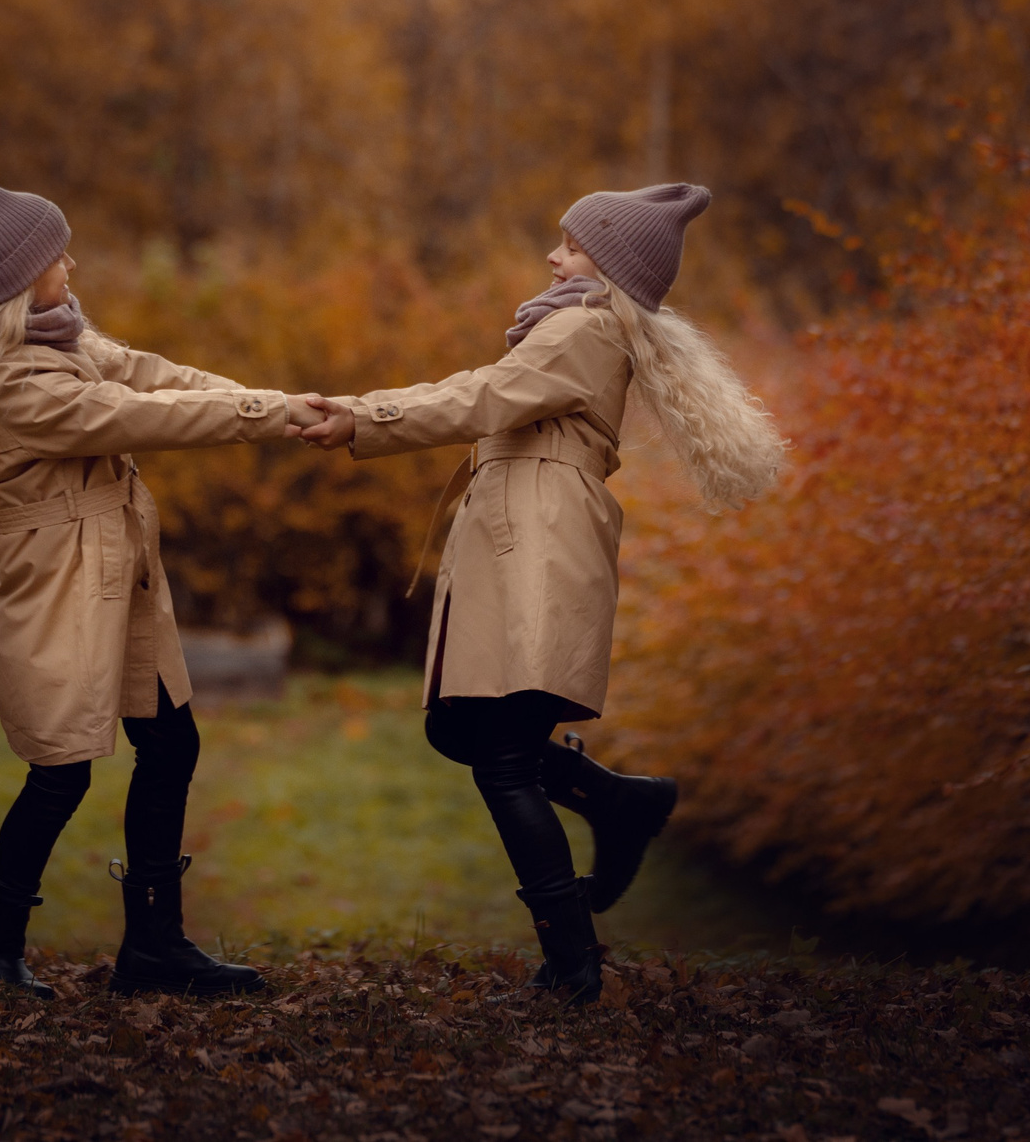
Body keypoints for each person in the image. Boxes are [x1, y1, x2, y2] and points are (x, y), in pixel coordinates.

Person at [0, 172, 324, 998]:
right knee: (61, 771)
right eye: (54, 253)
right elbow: (143, 416)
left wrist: (271, 400)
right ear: (18, 277)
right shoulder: (19, 383)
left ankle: (154, 946)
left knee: (171, 742)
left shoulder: (60, 338)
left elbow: (149, 373)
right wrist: (275, 415)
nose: (70, 261)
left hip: (117, 575)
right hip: (59, 590)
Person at [291, 183, 785, 1005]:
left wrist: (360, 418)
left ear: (610, 263)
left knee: (502, 756)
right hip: (527, 533)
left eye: (571, 245)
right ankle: (620, 804)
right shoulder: (575, 325)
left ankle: (572, 962)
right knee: (462, 731)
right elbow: (486, 386)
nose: (554, 257)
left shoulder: (584, 327)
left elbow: (480, 397)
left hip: (540, 540)